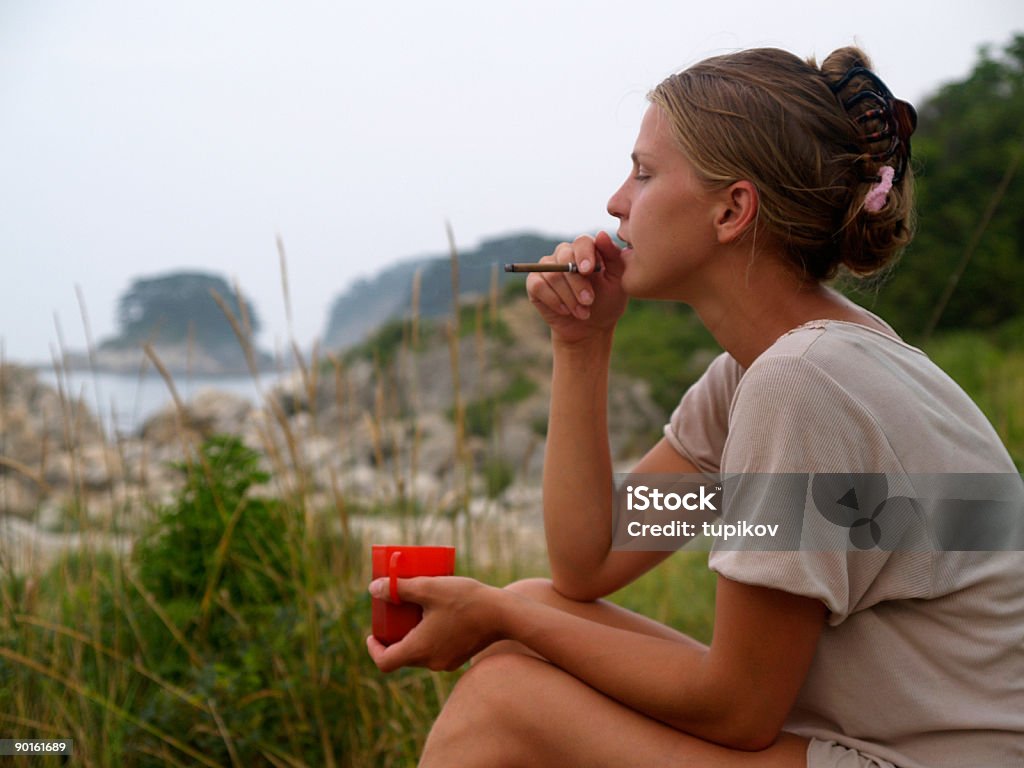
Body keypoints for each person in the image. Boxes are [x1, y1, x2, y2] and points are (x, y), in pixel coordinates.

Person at [366, 45, 1024, 767]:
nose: (617, 201)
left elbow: (738, 709)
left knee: (504, 700)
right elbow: (588, 564)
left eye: (645, 174)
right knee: (536, 610)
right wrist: (581, 346)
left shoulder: (804, 381)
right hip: (869, 739)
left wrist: (495, 613)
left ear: (732, 209)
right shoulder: (762, 374)